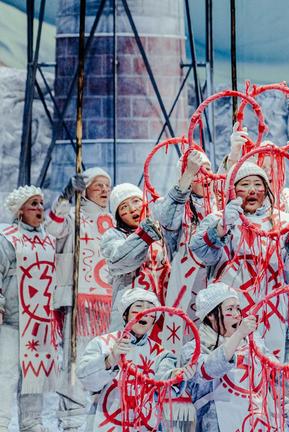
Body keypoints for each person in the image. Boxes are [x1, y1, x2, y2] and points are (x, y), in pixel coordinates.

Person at [189, 162, 289, 366]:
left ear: (267, 189)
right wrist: (221, 227)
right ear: (233, 190)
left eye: (258, 184)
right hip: (230, 314)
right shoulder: (219, 218)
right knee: (233, 369)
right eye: (244, 184)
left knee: (271, 368)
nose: (252, 190)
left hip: (273, 312)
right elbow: (201, 252)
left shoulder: (284, 221)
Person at [45, 167, 113, 432]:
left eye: (107, 186)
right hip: (79, 303)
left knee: (105, 361)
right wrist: (65, 196)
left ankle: (102, 417)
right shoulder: (74, 216)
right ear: (85, 190)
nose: (105, 191)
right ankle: (72, 421)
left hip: (109, 304)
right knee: (76, 361)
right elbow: (52, 228)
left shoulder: (114, 219)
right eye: (98, 186)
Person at [75, 288, 191, 432]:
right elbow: (87, 381)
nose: (144, 312)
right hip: (106, 424)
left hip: (145, 426)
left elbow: (163, 388)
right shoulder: (103, 343)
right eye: (138, 307)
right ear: (125, 315)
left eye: (150, 309)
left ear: (154, 319)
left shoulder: (161, 353)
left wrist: (174, 377)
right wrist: (110, 360)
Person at [0, 186, 58, 432]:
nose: (38, 208)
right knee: (7, 372)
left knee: (34, 373)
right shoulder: (6, 237)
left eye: (41, 203)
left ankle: (32, 421)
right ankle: (2, 420)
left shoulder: (50, 239)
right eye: (33, 204)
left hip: (40, 321)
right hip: (12, 319)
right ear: (20, 210)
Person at [153, 150, 213, 353]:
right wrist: (187, 176)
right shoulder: (173, 205)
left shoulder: (221, 204)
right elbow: (167, 221)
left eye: (208, 170)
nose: (204, 176)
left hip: (217, 286)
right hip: (185, 289)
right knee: (183, 352)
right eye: (197, 172)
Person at [182, 283, 262, 432]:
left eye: (238, 308)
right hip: (214, 424)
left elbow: (272, 376)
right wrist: (238, 335)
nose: (238, 314)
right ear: (211, 315)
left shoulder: (254, 342)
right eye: (230, 309)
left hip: (254, 422)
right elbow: (207, 371)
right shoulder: (193, 349)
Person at [100, 183, 166, 330]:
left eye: (136, 201)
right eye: (123, 207)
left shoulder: (162, 231)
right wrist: (144, 235)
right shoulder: (113, 236)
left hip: (163, 306)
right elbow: (120, 260)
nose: (132, 209)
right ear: (118, 216)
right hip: (131, 309)